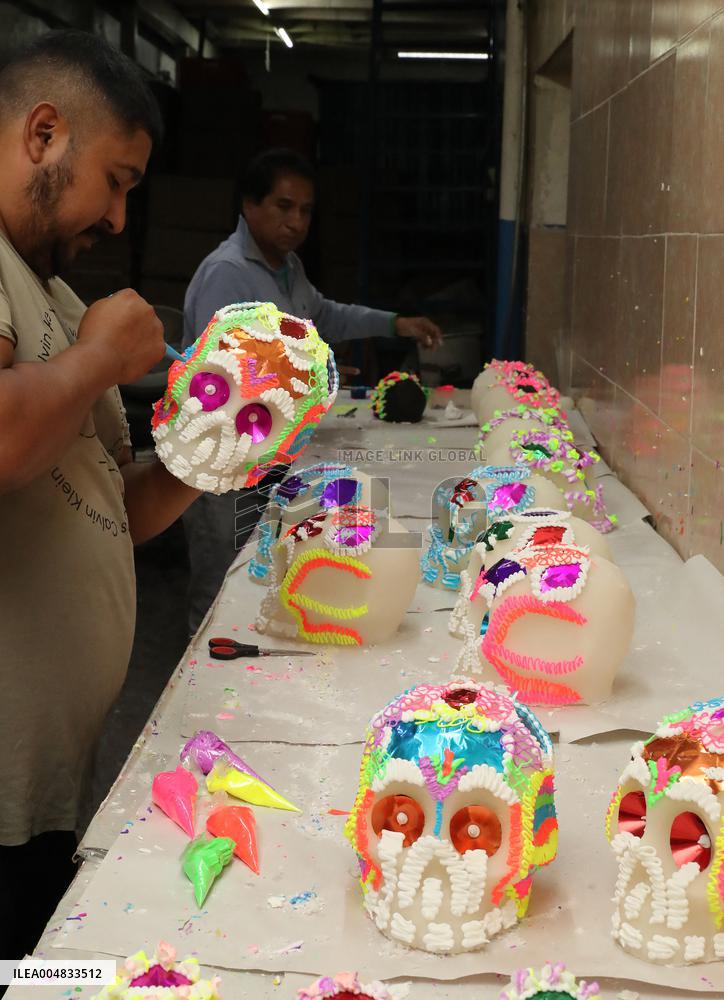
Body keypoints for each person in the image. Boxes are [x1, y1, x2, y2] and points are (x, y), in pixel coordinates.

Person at [0, 30, 200, 960]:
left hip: (50, 776)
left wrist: (211, 456)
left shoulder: (53, 294)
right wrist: (99, 359)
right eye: (115, 180)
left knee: (45, 964)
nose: (121, 219)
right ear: (44, 134)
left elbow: (112, 506)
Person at [182, 148, 444, 631]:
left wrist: (394, 323)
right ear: (249, 205)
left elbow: (323, 316)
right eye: (284, 207)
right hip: (223, 463)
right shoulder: (228, 273)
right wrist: (306, 370)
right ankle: (202, 692)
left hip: (268, 455)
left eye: (305, 210)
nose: (296, 221)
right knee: (220, 589)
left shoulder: (288, 268)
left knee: (258, 574)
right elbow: (218, 378)